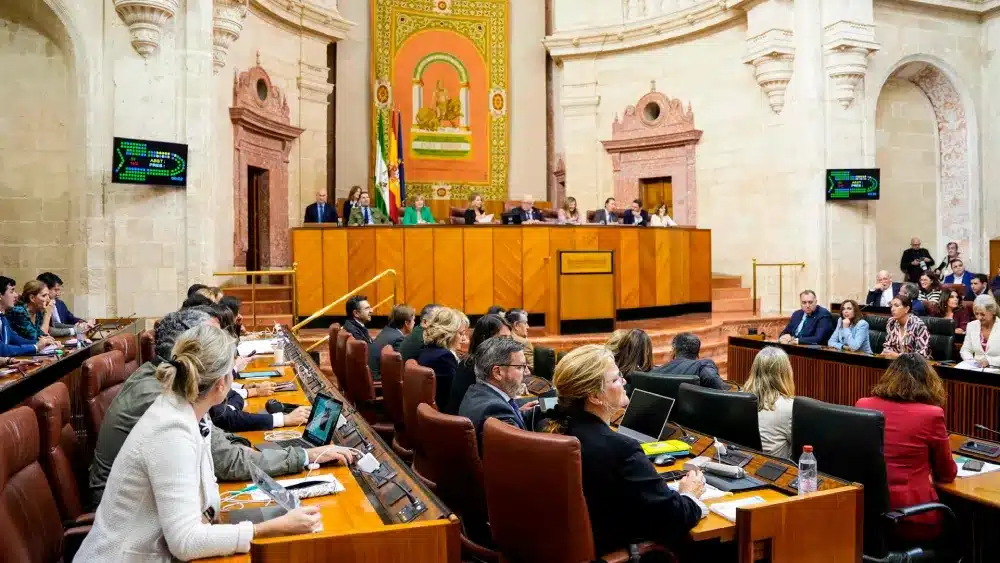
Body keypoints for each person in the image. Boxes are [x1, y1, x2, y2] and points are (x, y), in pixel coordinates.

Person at [75, 325, 324, 562]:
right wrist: (270, 527)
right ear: (221, 384)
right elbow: (185, 542)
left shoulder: (188, 407)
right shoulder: (171, 430)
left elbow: (206, 490)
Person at [88, 309, 359, 505]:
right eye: (213, 341)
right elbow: (226, 462)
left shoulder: (168, 378)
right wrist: (304, 457)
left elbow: (214, 443)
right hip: (133, 512)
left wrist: (245, 445)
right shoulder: (162, 396)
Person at [543, 345, 707, 554]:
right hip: (610, 549)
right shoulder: (620, 448)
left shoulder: (552, 428)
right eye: (615, 379)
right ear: (594, 396)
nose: (624, 382)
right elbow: (674, 517)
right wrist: (689, 494)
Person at [856, 354, 957, 542]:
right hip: (911, 517)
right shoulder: (931, 414)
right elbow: (946, 473)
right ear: (928, 382)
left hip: (867, 515)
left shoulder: (864, 405)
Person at [458, 336, 534, 449]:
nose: (527, 372)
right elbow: (524, 451)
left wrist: (521, 413)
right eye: (520, 367)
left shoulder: (475, 390)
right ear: (497, 372)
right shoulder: (495, 410)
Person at [446, 314, 511, 414]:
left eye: (509, 338)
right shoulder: (476, 366)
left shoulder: (474, 360)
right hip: (468, 421)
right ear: (485, 339)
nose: (508, 344)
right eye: (502, 338)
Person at [743, 347, 795, 459]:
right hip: (774, 471)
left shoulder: (738, 398)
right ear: (785, 373)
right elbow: (801, 448)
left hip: (741, 463)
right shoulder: (790, 407)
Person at [417, 307, 470, 409]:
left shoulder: (428, 350)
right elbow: (455, 396)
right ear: (448, 334)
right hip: (447, 416)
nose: (464, 339)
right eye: (461, 334)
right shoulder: (444, 358)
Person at [0, 276, 56, 356]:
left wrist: (46, 342)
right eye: (12, 292)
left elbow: (15, 338)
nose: (16, 295)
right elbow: (2, 349)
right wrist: (35, 346)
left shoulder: (2, 317)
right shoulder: (18, 311)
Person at [653, 332, 727, 389]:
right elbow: (721, 389)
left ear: (674, 350)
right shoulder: (703, 367)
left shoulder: (656, 372)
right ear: (698, 354)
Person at [369, 304, 415, 379]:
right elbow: (399, 367)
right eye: (414, 320)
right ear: (406, 323)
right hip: (379, 381)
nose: (414, 323)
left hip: (372, 376)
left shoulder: (387, 330)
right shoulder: (398, 339)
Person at [882, 295, 931, 359]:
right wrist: (886, 352)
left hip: (917, 366)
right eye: (891, 306)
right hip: (897, 364)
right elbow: (888, 345)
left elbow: (922, 354)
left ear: (907, 309)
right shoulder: (891, 322)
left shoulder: (918, 325)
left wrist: (898, 356)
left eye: (896, 306)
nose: (892, 309)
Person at [960, 294, 1000, 367]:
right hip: (976, 371)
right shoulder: (971, 326)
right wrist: (971, 361)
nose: (979, 317)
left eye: (982, 314)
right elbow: (965, 350)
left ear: (993, 312)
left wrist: (990, 361)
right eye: (976, 314)